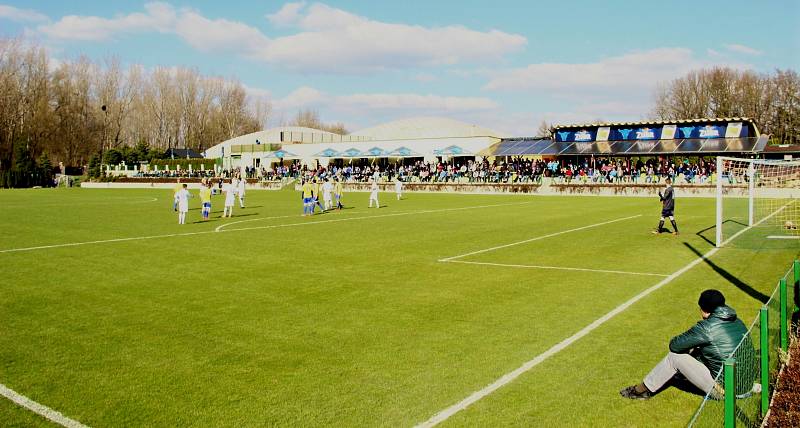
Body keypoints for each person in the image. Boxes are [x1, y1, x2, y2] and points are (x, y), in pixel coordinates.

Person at [620, 290, 755, 400]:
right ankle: (678, 375)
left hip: (727, 391)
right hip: (746, 383)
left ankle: (640, 391)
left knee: (674, 358)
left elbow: (674, 345)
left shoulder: (706, 328)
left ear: (705, 310)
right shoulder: (737, 320)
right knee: (700, 348)